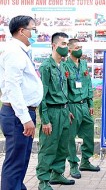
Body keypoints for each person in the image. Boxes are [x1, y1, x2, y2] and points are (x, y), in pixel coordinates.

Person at [0, 15, 43, 190]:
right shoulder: (13, 52)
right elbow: (12, 88)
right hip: (18, 114)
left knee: (22, 160)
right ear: (21, 31)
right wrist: (25, 118)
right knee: (15, 162)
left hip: (22, 113)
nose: (36, 33)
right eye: (33, 29)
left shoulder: (20, 51)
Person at [36, 32, 75, 190]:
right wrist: (45, 120)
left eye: (67, 44)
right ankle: (43, 181)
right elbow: (42, 96)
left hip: (64, 111)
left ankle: (57, 173)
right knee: (48, 147)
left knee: (62, 146)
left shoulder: (64, 65)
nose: (67, 48)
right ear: (54, 46)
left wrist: (68, 110)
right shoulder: (46, 66)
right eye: (63, 44)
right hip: (52, 112)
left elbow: (65, 90)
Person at [66, 38, 100, 179]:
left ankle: (85, 161)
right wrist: (66, 109)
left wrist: (90, 104)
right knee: (70, 137)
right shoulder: (64, 65)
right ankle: (73, 165)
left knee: (88, 133)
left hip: (84, 105)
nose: (80, 49)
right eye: (77, 47)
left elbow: (88, 84)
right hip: (72, 106)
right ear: (70, 50)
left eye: (81, 46)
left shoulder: (84, 64)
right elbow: (63, 89)